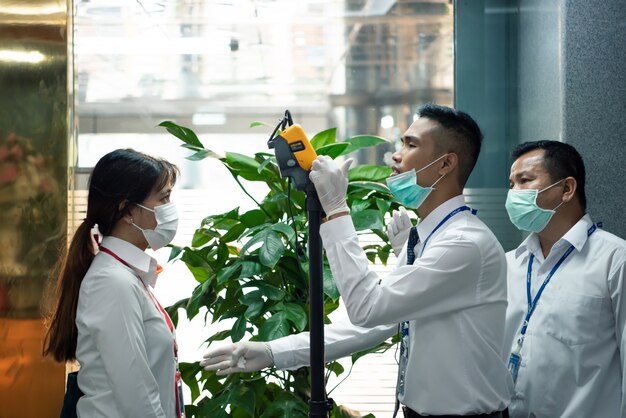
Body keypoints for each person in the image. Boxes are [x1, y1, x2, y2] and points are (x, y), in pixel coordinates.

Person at [201, 104, 513, 417]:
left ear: (446, 163)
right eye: (401, 142)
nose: (396, 154)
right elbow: (379, 324)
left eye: (411, 144)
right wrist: (271, 352)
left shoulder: (462, 244)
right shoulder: (429, 237)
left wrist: (336, 209)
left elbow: (368, 308)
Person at [44, 149, 184, 418]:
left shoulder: (124, 275)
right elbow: (137, 398)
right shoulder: (112, 282)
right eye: (163, 198)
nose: (170, 209)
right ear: (127, 210)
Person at [503, 140, 626, 418]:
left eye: (525, 180)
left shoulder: (615, 260)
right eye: (511, 184)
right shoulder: (509, 263)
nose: (513, 194)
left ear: (567, 189)